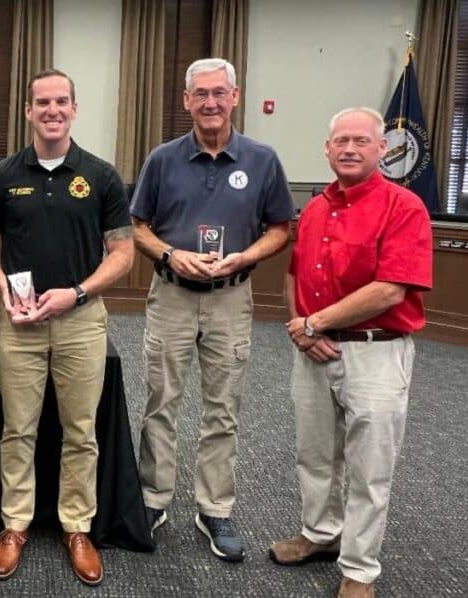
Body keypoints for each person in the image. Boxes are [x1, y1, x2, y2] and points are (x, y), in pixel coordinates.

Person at [130, 57, 294, 561]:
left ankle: (214, 508)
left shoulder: (262, 160)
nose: (210, 102)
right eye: (200, 94)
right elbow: (138, 227)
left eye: (219, 93)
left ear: (235, 96)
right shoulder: (162, 159)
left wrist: (245, 257)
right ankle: (153, 500)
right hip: (172, 296)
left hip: (231, 299)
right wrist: (170, 253)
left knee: (223, 409)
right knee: (160, 401)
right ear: (186, 101)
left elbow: (281, 229)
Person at [0, 69, 133, 586]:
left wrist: (79, 292)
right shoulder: (2, 175)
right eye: (42, 102)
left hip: (81, 320)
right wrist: (1, 285)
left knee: (80, 431)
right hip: (19, 321)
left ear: (74, 108)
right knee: (17, 429)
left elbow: (123, 254)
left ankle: (77, 526)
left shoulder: (101, 175)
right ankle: (14, 525)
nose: (52, 110)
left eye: (61, 101)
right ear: (28, 110)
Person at [271, 107, 432, 598]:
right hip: (313, 351)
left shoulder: (404, 207)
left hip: (375, 353)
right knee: (315, 455)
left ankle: (359, 569)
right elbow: (295, 276)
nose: (349, 148)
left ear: (383, 149)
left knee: (369, 468)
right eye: (340, 140)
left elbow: (391, 290)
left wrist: (316, 322)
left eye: (361, 141)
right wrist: (302, 332)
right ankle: (320, 534)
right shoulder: (317, 207)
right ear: (326, 148)